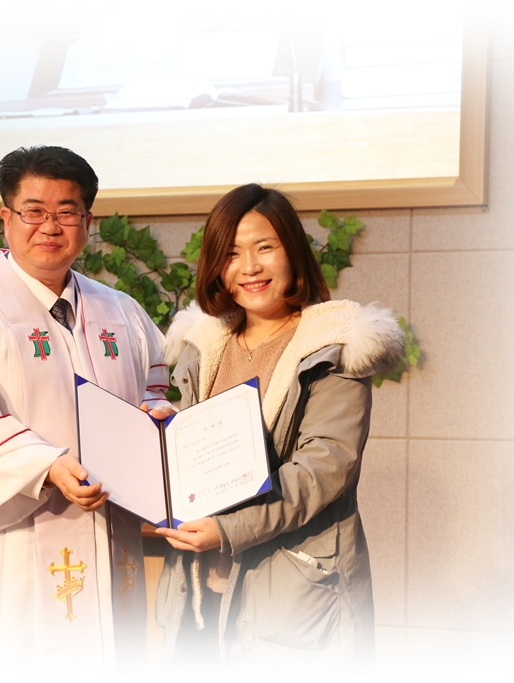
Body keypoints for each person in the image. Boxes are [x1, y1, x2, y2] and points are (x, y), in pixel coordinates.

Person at [0, 146, 173, 669]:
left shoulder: (123, 313)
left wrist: (160, 424)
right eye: (34, 211)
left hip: (104, 534)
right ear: (6, 217)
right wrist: (46, 466)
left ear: (87, 221)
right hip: (5, 547)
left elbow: (154, 397)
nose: (50, 225)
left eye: (67, 211)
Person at [154, 183, 405, 668]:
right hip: (198, 591)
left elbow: (322, 469)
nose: (249, 267)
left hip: (291, 597)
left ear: (292, 250)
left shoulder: (331, 348)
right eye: (232, 253)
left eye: (264, 247)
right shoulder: (203, 345)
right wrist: (166, 434)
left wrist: (227, 529)